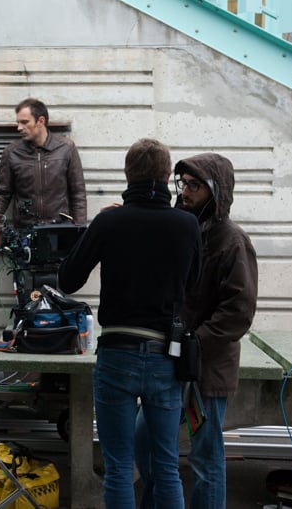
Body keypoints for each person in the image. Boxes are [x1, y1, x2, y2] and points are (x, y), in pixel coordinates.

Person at [58, 138, 201, 508]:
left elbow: (68, 280)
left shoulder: (110, 221)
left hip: (117, 352)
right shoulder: (187, 225)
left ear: (127, 174)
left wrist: (97, 230)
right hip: (164, 355)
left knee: (119, 467)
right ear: (167, 176)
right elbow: (193, 287)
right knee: (166, 466)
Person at [135, 153, 258, 508]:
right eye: (183, 184)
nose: (185, 192)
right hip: (171, 362)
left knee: (205, 457)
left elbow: (239, 311)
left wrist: (195, 343)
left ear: (216, 191)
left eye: (195, 186)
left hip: (208, 368)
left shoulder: (232, 241)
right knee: (144, 438)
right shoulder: (182, 231)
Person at [0, 97, 87, 244]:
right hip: (25, 233)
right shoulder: (11, 152)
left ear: (41, 121)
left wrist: (79, 230)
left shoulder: (66, 148)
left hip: (59, 232)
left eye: (24, 122)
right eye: (18, 122)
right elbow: (2, 195)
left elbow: (78, 193)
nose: (19, 128)